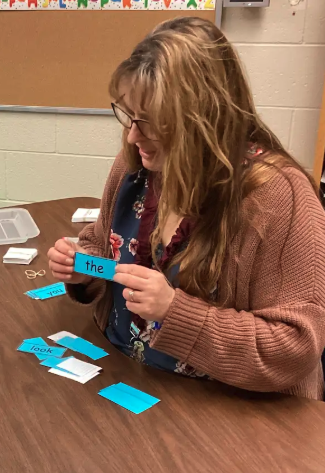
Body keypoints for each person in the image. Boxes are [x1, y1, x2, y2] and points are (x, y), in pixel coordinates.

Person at [48, 17, 325, 399]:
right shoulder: (135, 164)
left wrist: (175, 311)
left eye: (151, 122)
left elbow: (295, 347)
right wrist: (83, 267)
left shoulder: (278, 197)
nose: (133, 135)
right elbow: (104, 246)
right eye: (129, 115)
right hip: (128, 375)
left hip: (225, 407)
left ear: (204, 121)